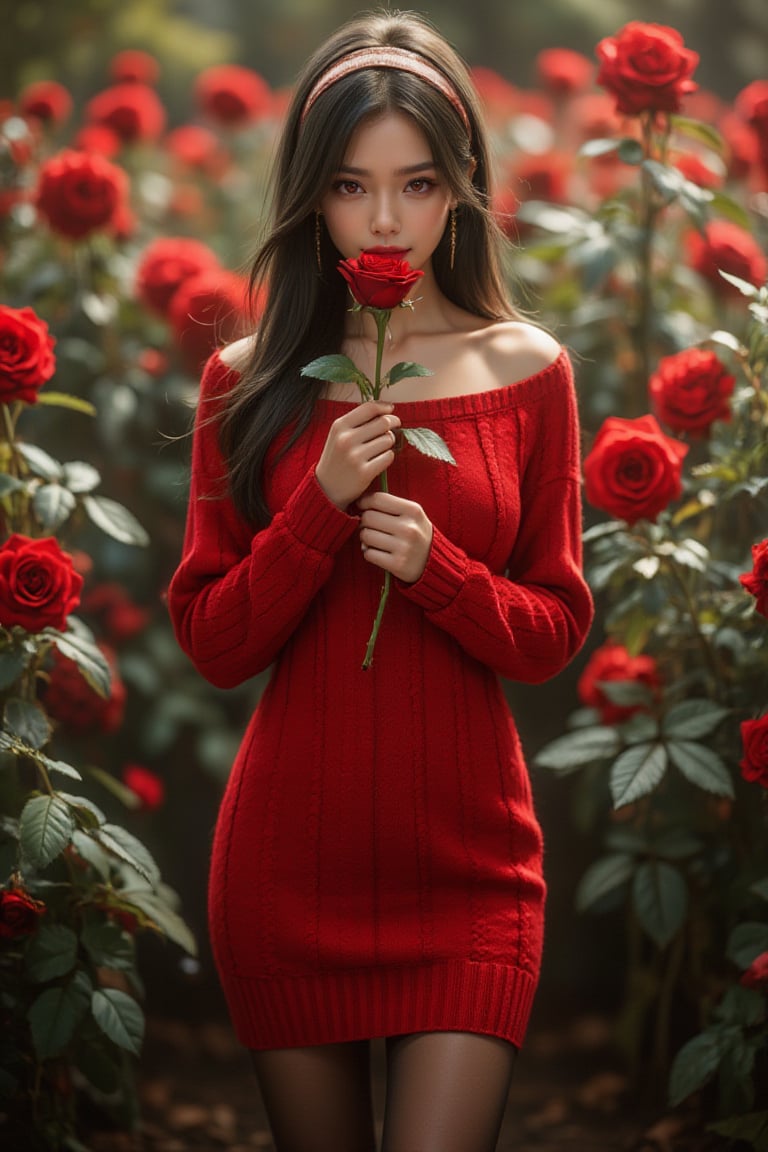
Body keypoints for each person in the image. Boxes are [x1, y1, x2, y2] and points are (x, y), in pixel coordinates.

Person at [167, 9, 594, 1151]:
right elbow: (214, 644)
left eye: (416, 183)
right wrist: (318, 511)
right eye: (353, 187)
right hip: (287, 871)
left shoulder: (531, 373)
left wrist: (439, 570)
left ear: (461, 187)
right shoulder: (245, 383)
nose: (386, 219)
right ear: (314, 195)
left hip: (469, 866)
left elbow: (553, 630)